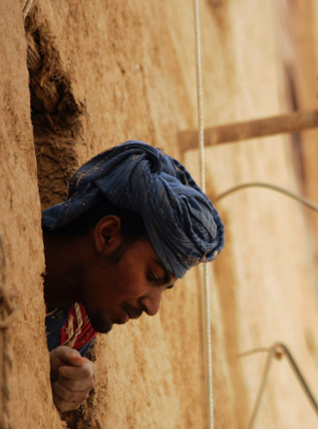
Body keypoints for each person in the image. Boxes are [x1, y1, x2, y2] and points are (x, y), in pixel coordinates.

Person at [41, 141, 225, 412]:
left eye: (165, 289)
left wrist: (55, 373)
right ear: (107, 235)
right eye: (153, 275)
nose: (153, 308)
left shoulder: (78, 328)